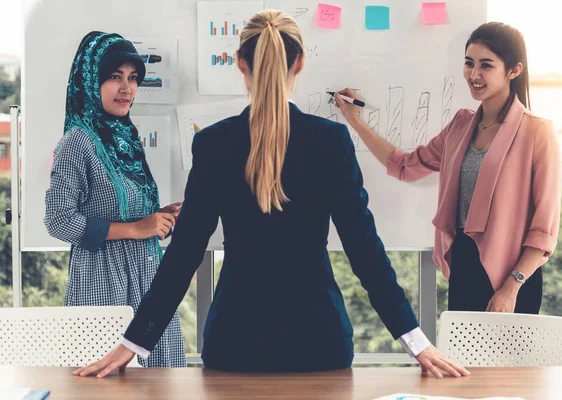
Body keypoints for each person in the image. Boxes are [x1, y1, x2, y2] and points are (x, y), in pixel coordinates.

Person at [74, 11, 468, 378]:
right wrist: (416, 341)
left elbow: (184, 253)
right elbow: (364, 248)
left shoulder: (213, 144)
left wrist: (132, 342)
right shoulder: (329, 141)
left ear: (240, 63)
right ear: (299, 64)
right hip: (318, 341)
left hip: (235, 340)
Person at [334, 22, 560, 314]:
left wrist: (512, 285)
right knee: (463, 360)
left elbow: (544, 229)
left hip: (514, 275)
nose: (474, 75)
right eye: (469, 63)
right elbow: (404, 165)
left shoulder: (537, 132)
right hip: (465, 265)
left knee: (509, 362)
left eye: (486, 66)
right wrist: (355, 121)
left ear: (514, 70)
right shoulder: (461, 125)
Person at [44, 31, 186, 367]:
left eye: (133, 78)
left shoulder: (126, 139)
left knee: (161, 387)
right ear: (91, 79)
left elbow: (127, 211)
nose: (127, 88)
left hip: (148, 279)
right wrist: (137, 228)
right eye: (114, 77)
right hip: (103, 281)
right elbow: (59, 221)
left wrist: (161, 217)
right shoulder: (77, 142)